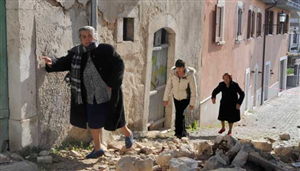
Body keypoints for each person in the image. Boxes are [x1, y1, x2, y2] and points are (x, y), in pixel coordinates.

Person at [41, 26, 133, 158]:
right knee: (94, 120)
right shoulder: (76, 53)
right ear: (80, 39)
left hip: (107, 92)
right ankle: (97, 148)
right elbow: (64, 62)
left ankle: (128, 133)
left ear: (94, 36)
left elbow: (119, 64)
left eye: (89, 36)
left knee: (114, 116)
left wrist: (112, 84)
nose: (87, 39)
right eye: (84, 37)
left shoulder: (105, 49)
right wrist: (52, 63)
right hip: (89, 94)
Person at [163, 59, 197, 139]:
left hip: (185, 97)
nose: (178, 70)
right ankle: (182, 132)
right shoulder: (173, 74)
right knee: (179, 114)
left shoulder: (189, 76)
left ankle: (179, 133)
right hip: (176, 96)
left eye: (180, 68)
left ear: (183, 68)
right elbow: (168, 86)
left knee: (180, 114)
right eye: (177, 68)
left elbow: (193, 90)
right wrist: (165, 99)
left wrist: (192, 103)